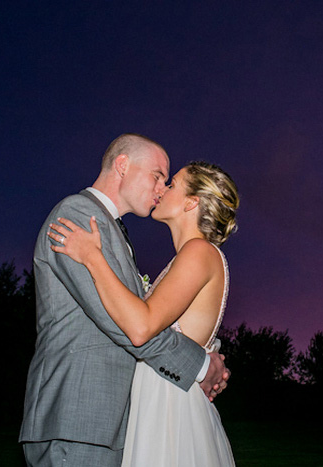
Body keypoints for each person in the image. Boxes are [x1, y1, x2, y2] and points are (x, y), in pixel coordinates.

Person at [19, 134, 229, 466]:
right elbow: (127, 325)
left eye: (168, 182)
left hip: (112, 423)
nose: (161, 188)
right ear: (122, 165)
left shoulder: (116, 232)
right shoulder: (77, 215)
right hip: (78, 418)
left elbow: (137, 318)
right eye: (159, 176)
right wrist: (201, 365)